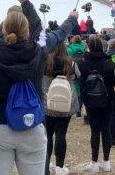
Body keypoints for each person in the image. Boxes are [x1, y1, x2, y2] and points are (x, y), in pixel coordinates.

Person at [0, 9, 47, 175]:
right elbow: (41, 29)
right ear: (27, 32)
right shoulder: (39, 56)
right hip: (31, 126)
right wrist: (24, 1)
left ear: (3, 32)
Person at [78, 34, 115, 172]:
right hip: (107, 100)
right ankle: (106, 162)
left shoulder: (83, 62)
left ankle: (94, 162)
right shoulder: (109, 62)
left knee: (94, 131)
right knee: (106, 130)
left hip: (90, 100)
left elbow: (80, 81)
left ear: (88, 47)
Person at [43, 36, 80, 175]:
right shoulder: (71, 64)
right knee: (61, 134)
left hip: (48, 102)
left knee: (48, 135)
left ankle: (45, 167)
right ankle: (60, 166)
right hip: (66, 102)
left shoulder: (46, 63)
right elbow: (78, 76)